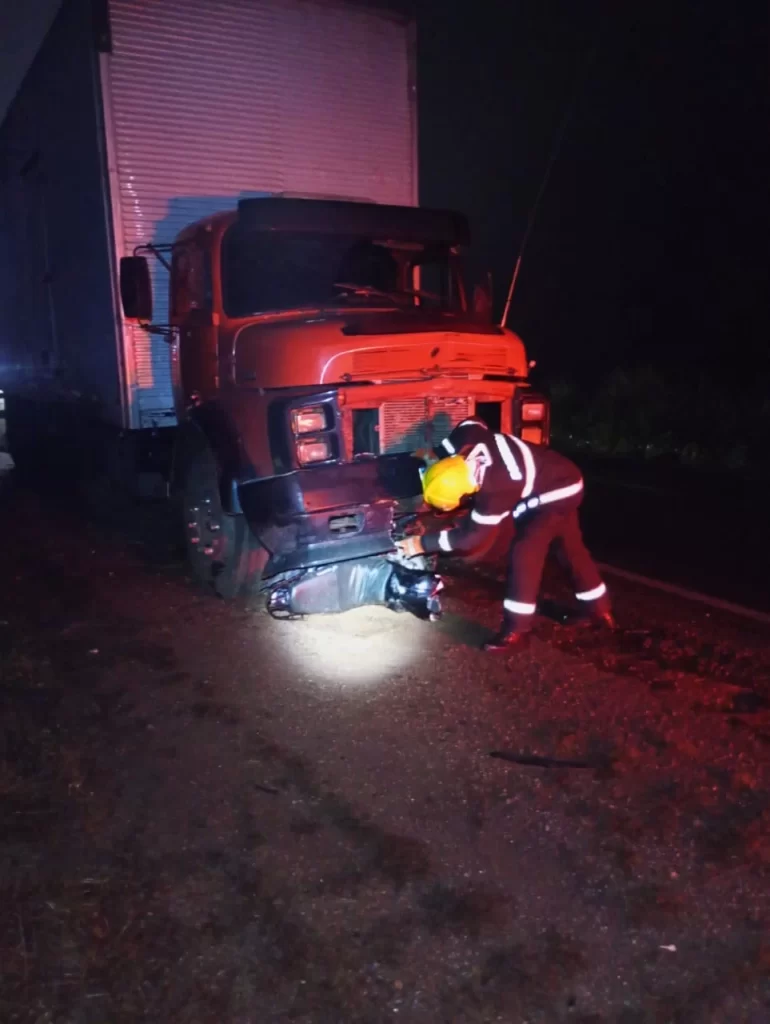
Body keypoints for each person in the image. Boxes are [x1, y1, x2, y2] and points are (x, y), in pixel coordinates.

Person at [395, 418, 615, 652]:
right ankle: (598, 609)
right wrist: (434, 455)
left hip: (556, 493)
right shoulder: (469, 438)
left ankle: (516, 630)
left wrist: (421, 543)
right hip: (563, 473)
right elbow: (474, 422)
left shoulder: (495, 489)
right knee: (570, 548)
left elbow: (470, 538)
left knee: (525, 554)